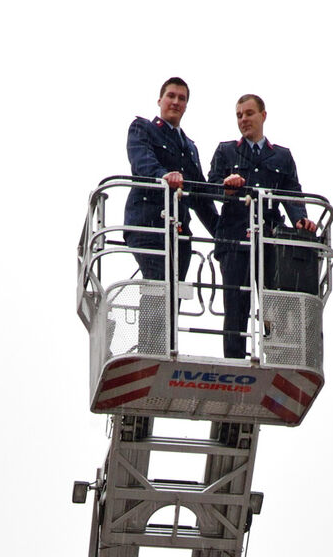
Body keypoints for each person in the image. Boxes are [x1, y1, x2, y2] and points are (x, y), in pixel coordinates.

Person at [208, 94, 317, 359]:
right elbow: (211, 186)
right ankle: (234, 358)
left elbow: (292, 193)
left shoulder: (281, 156)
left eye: (248, 113)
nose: (243, 120)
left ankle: (279, 356)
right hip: (235, 238)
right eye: (239, 115)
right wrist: (227, 186)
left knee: (275, 303)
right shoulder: (226, 151)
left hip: (269, 239)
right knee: (235, 303)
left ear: (263, 116)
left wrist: (300, 219)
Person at [125, 77, 221, 288]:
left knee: (172, 296)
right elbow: (142, 161)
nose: (176, 102)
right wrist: (164, 176)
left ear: (186, 106)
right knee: (158, 286)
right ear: (159, 100)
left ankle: (163, 321)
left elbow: (199, 197)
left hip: (179, 232)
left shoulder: (189, 147)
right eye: (171, 96)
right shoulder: (142, 128)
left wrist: (223, 235)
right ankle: (153, 323)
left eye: (182, 98)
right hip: (148, 224)